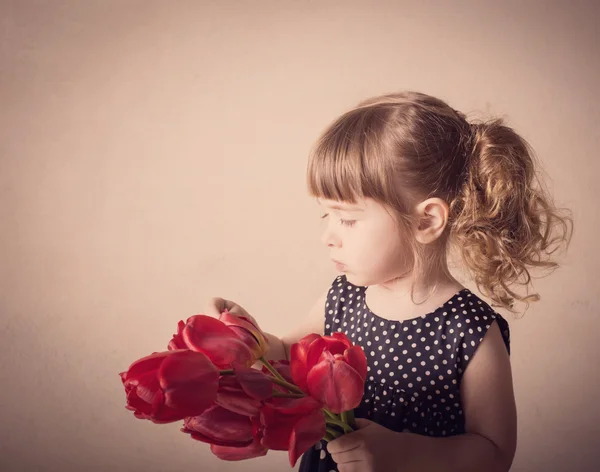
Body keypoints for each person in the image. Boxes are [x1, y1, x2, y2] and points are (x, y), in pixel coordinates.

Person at [205, 91, 573, 472]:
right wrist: (245, 336)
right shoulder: (344, 297)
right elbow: (284, 352)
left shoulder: (469, 330)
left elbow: (495, 452)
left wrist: (408, 454)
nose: (328, 236)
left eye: (347, 218)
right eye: (325, 216)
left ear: (426, 221)